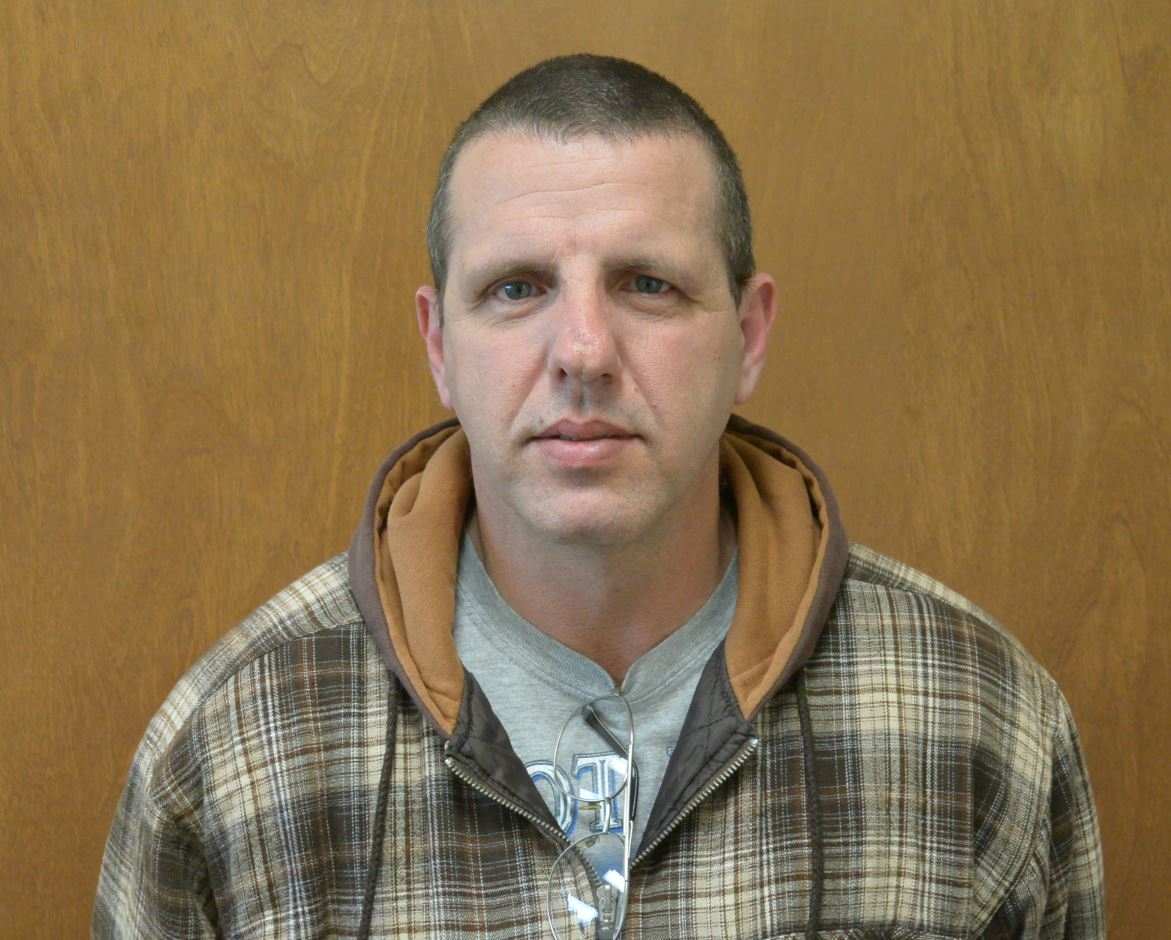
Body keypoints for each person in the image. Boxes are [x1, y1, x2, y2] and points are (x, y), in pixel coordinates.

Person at [94, 54, 1104, 939]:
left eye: (647, 284)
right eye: (516, 287)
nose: (581, 350)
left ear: (748, 335)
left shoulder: (980, 719)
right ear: (439, 346)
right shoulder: (236, 747)